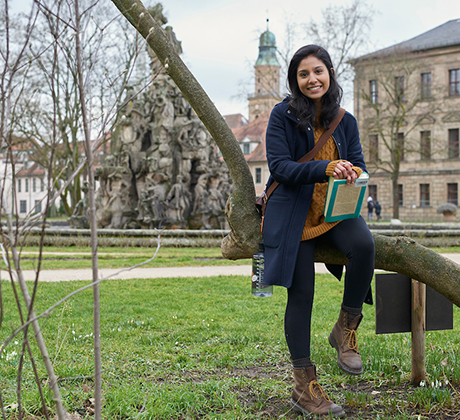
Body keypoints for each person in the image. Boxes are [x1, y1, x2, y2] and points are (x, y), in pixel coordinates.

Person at [263, 45, 375, 418]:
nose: (312, 79)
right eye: (303, 74)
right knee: (302, 295)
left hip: (335, 210)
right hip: (294, 213)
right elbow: (279, 167)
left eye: (318, 71)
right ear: (295, 80)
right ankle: (303, 387)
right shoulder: (282, 115)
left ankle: (346, 328)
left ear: (329, 73)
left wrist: (352, 172)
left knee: (364, 245)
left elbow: (357, 162)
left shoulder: (345, 119)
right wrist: (325, 168)